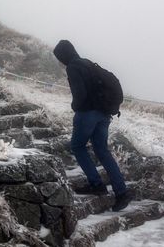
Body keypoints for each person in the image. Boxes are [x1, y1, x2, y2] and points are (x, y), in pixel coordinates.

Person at [53, 39, 132, 212]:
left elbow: (80, 95)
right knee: (102, 150)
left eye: (59, 57)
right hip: (104, 113)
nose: (59, 62)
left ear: (63, 55)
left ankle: (96, 183)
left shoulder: (73, 67)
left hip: (88, 113)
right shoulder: (87, 63)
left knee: (77, 146)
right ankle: (121, 192)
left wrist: (75, 107)